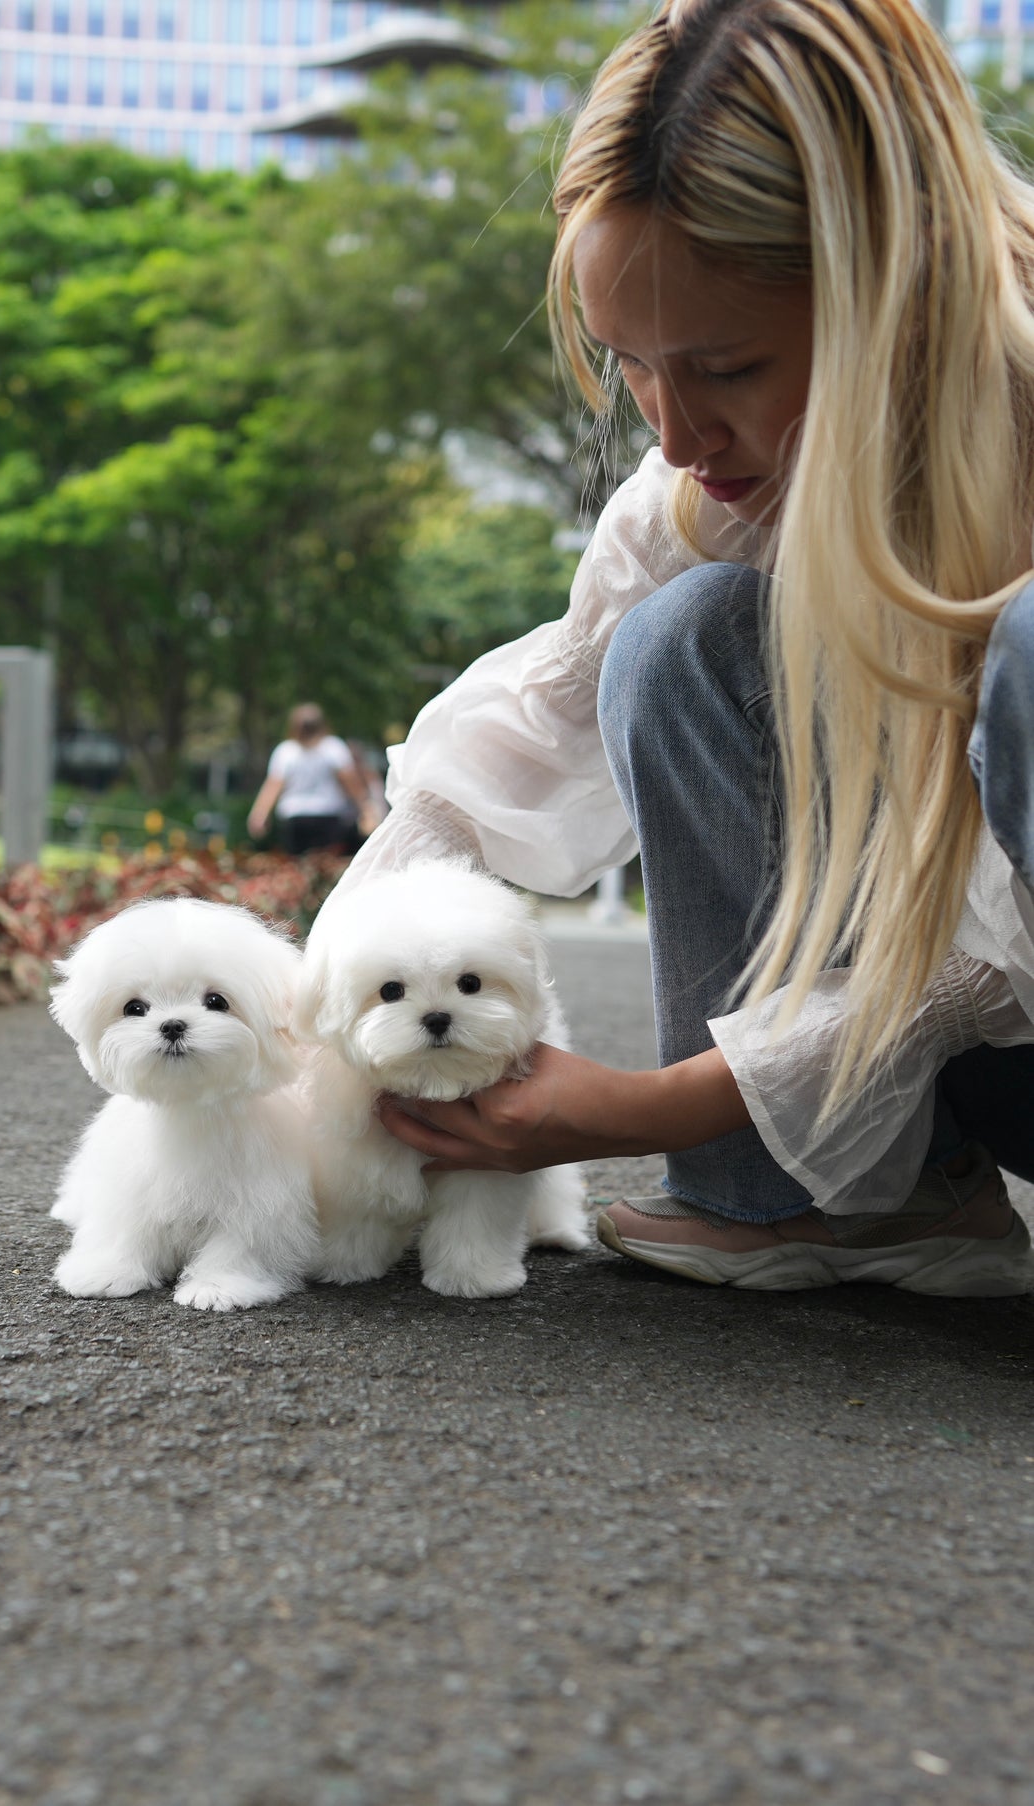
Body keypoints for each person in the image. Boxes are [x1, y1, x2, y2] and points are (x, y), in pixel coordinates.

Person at [341, 0, 1034, 1294]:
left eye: (723, 365)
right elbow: (521, 739)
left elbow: (1001, 963)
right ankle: (811, 1204)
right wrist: (326, 1003)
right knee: (678, 635)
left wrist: (653, 1103)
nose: (672, 433)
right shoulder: (704, 499)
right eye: (632, 366)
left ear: (901, 281)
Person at [247, 704, 380, 855]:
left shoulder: (286, 751)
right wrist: (366, 809)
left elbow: (273, 786)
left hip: (299, 819)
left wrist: (260, 813)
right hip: (326, 817)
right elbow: (351, 783)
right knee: (328, 863)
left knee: (298, 866)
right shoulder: (333, 747)